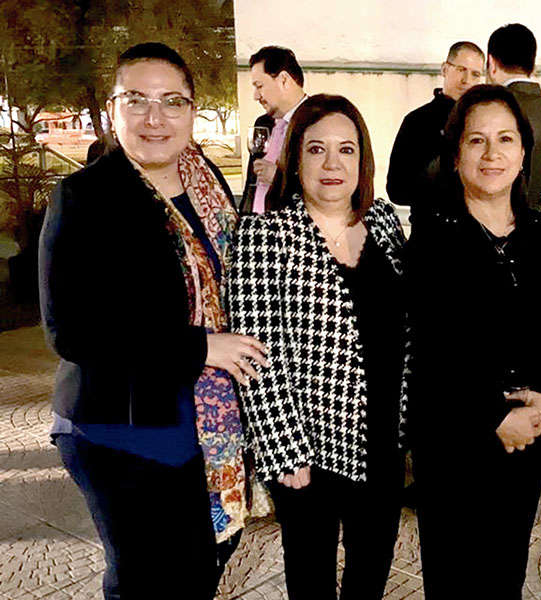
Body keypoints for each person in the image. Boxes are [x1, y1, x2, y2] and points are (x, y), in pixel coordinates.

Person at [38, 42, 267, 600]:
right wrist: (199, 349)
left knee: (198, 568)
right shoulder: (85, 197)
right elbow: (69, 329)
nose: (154, 117)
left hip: (205, 423)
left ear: (193, 111)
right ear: (114, 109)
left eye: (172, 101)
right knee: (147, 580)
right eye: (136, 100)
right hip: (122, 426)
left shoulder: (205, 180)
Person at [406, 84, 541, 600]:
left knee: (504, 574)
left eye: (505, 139)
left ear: (524, 151)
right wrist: (495, 415)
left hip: (527, 439)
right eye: (477, 141)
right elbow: (431, 353)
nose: (492, 154)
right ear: (456, 152)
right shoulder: (431, 240)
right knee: (456, 578)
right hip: (454, 442)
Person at [228, 94, 409, 600]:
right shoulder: (263, 237)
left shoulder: (386, 225)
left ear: (362, 160)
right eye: (317, 149)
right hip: (308, 450)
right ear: (295, 159)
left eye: (347, 150)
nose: (333, 164)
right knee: (310, 578)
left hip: (383, 441)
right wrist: (282, 452)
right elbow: (253, 356)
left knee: (371, 570)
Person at [386, 40, 483, 219]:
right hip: (429, 232)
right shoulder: (417, 121)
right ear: (445, 69)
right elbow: (396, 189)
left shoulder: (483, 123)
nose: (467, 81)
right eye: (461, 70)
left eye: (475, 74)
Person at [487, 23, 541, 211]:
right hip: (536, 225)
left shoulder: (490, 108)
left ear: (491, 63)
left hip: (492, 226)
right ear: (533, 65)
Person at [240, 46, 307, 214]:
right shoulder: (263, 124)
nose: (255, 96)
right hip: (256, 230)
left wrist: (279, 180)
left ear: (284, 80)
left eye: (259, 86)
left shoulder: (319, 123)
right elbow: (251, 185)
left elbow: (328, 190)